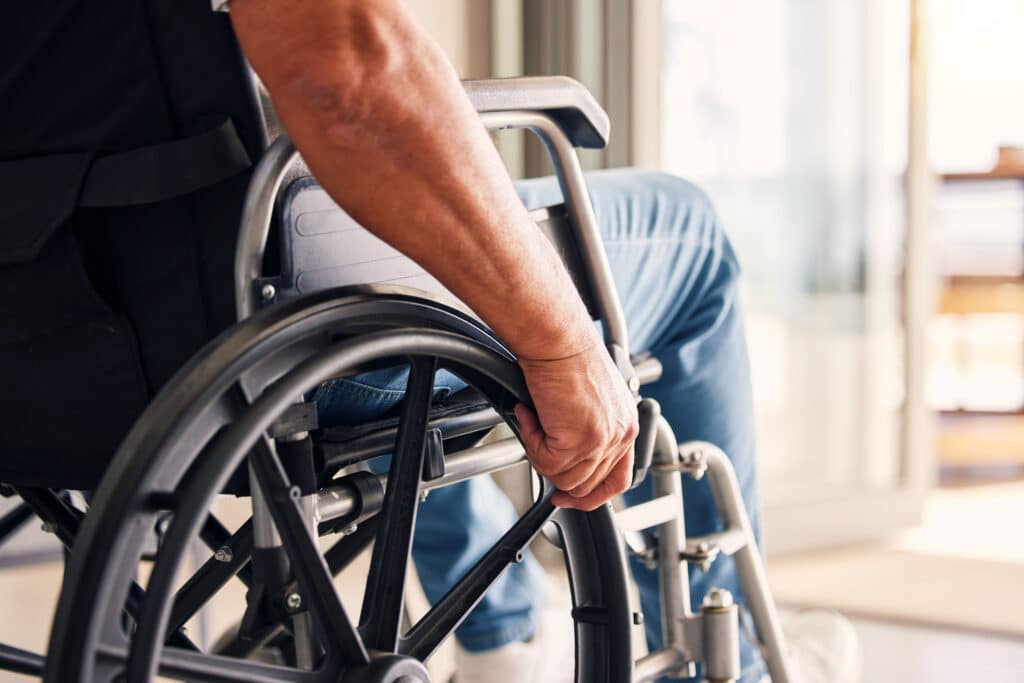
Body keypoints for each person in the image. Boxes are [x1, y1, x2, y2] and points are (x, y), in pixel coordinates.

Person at [0, 1, 855, 681]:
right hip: (208, 326)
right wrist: (560, 341)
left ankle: (503, 630)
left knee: (378, 260)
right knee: (691, 237)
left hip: (35, 348)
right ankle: (726, 664)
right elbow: (343, 65)